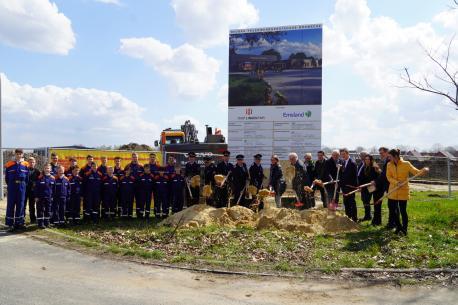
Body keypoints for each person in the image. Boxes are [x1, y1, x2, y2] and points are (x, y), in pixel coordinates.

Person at [386, 149, 428, 235]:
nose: (388, 158)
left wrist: (424, 171)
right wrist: (397, 182)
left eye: (390, 157)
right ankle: (399, 227)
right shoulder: (389, 165)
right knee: (393, 210)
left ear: (396, 156)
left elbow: (416, 172)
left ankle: (404, 229)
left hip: (403, 191)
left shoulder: (406, 164)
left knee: (403, 211)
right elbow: (388, 177)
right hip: (393, 190)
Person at [4, 148, 29, 231]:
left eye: (20, 154)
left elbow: (27, 178)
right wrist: (11, 184)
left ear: (22, 155)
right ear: (15, 154)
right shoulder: (9, 164)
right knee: (10, 205)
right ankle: (10, 225)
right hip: (12, 187)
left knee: (20, 205)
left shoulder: (26, 165)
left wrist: (23, 185)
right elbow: (7, 178)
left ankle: (19, 224)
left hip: (21, 187)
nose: (19, 155)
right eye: (17, 154)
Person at [357, 154, 380, 222]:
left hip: (372, 186)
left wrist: (374, 181)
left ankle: (370, 216)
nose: (367, 161)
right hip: (364, 186)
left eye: (368, 159)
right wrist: (360, 185)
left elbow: (379, 175)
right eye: (365, 159)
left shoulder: (374, 165)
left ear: (371, 160)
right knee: (364, 200)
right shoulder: (363, 166)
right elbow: (360, 176)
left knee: (368, 200)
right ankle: (367, 215)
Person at [373, 147, 391, 228]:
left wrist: (375, 182)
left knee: (392, 205)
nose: (380, 155)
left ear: (387, 152)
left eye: (382, 153)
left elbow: (385, 175)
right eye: (379, 153)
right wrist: (379, 171)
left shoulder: (389, 161)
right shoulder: (386, 161)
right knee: (391, 204)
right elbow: (384, 174)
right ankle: (390, 222)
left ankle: (392, 223)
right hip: (385, 185)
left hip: (390, 185)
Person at [339, 148, 358, 222]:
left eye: (344, 154)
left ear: (347, 154)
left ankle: (354, 218)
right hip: (344, 186)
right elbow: (342, 174)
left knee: (351, 202)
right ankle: (348, 216)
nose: (342, 156)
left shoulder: (352, 163)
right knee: (346, 202)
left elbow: (355, 176)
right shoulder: (343, 162)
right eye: (342, 154)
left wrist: (354, 187)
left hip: (350, 186)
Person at [34, 164, 55, 229]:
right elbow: (36, 188)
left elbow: (54, 189)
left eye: (48, 168)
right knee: (40, 210)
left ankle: (47, 223)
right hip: (40, 197)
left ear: (50, 169)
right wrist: (36, 196)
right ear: (43, 169)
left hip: (49, 197)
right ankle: (40, 223)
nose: (47, 169)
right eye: (46, 168)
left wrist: (52, 196)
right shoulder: (40, 177)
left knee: (48, 210)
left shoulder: (53, 178)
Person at [124, 152, 144, 217]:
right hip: (130, 187)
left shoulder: (141, 166)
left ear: (138, 158)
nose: (135, 158)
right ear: (131, 158)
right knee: (130, 200)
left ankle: (139, 214)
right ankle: (130, 214)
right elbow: (125, 175)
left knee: (139, 200)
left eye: (136, 157)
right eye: (133, 157)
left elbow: (144, 175)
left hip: (139, 187)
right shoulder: (127, 166)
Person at [25, 157, 40, 223]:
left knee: (32, 206)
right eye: (30, 162)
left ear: (35, 163)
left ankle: (33, 219)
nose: (31, 163)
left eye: (33, 162)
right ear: (28, 162)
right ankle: (22, 220)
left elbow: (40, 180)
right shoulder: (25, 170)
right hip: (25, 190)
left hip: (33, 191)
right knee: (23, 206)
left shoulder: (37, 171)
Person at [79, 155, 94, 220]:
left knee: (92, 204)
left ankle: (92, 216)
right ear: (87, 160)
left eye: (91, 159)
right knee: (86, 203)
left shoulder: (95, 167)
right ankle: (85, 217)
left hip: (93, 190)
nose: (90, 160)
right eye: (89, 159)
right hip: (86, 189)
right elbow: (81, 178)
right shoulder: (83, 168)